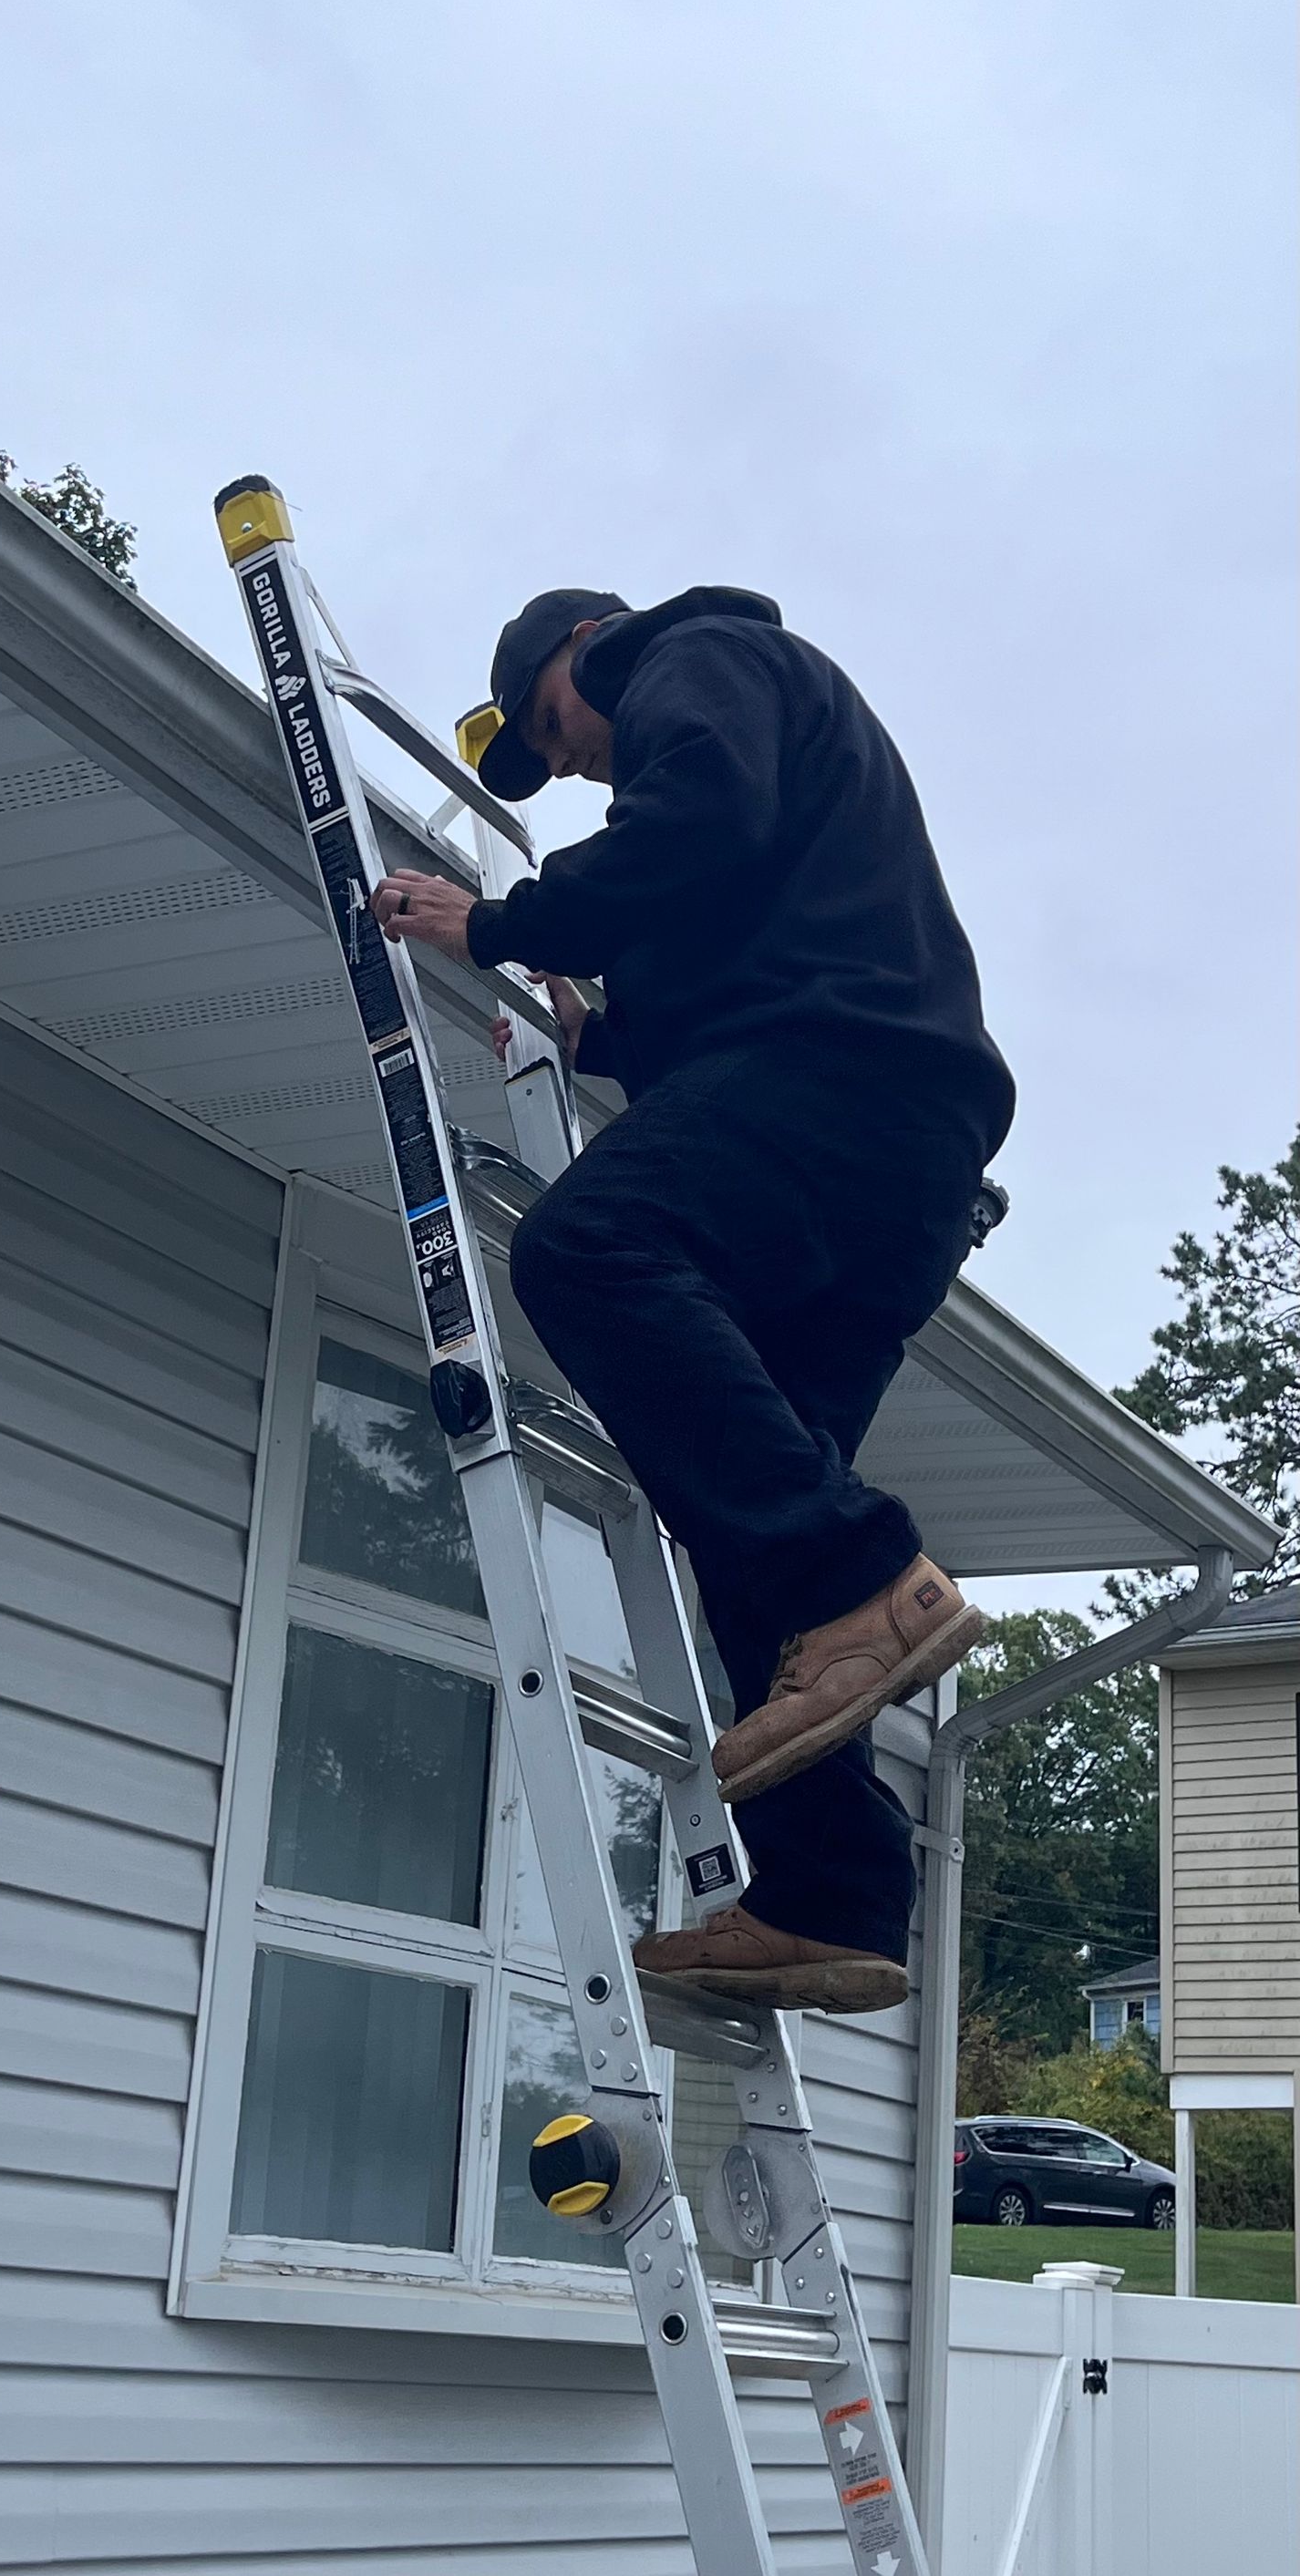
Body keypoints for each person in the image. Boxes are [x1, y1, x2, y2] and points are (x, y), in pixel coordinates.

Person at [369, 583, 1014, 2013]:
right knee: (740, 1511)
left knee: (586, 1252)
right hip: (884, 1156)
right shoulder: (741, 779)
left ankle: (865, 1577)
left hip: (845, 1084)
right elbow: (719, 914)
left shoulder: (698, 656)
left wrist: (497, 919)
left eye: (560, 728)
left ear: (584, 649)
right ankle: (831, 1898)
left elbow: (700, 823)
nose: (587, 761)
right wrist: (601, 1028)